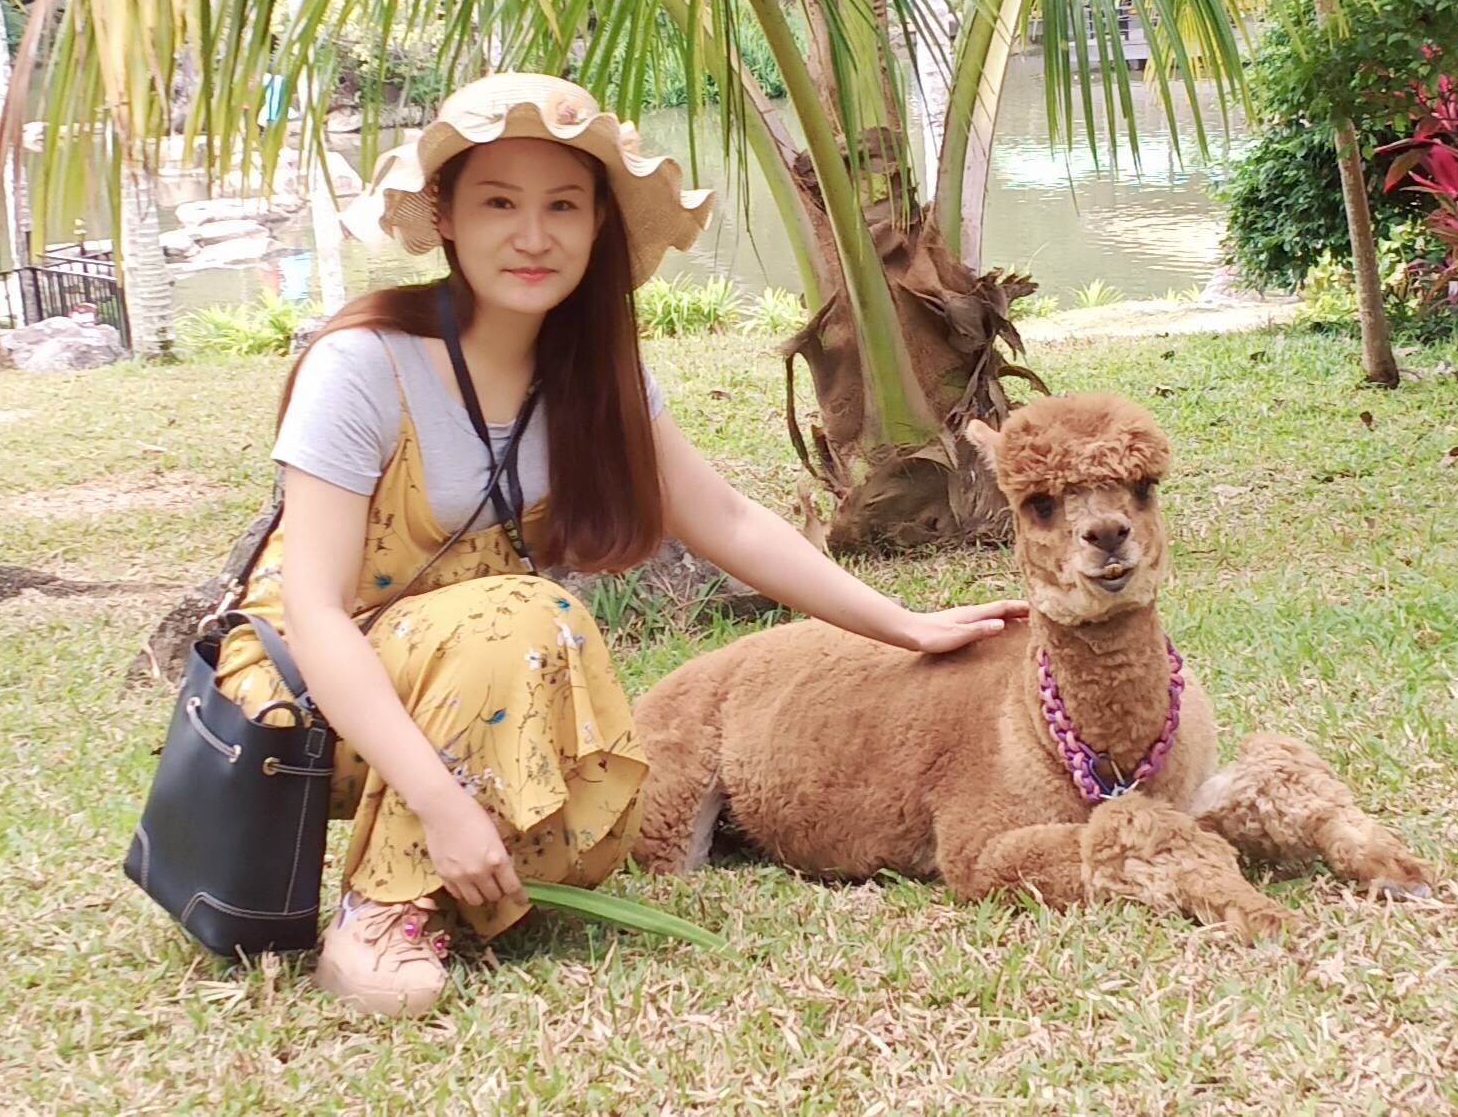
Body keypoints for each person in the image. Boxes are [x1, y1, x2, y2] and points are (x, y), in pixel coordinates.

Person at [214, 73, 1026, 1017]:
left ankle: (454, 868)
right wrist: (438, 800)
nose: (533, 236)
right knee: (528, 614)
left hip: (464, 675)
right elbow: (313, 613)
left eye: (563, 206)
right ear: (445, 216)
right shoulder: (361, 364)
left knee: (585, 810)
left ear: (599, 222)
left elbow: (727, 522)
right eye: (499, 204)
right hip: (301, 696)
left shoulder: (595, 375)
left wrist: (905, 626)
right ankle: (381, 912)